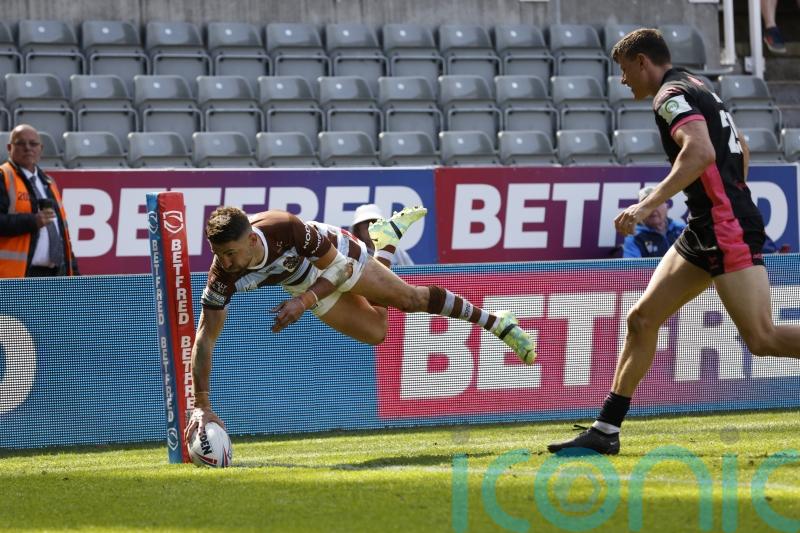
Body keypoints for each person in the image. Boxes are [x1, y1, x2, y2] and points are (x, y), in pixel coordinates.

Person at [548, 28, 800, 456]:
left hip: (724, 226)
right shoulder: (697, 85)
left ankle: (606, 429)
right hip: (708, 225)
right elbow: (740, 145)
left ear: (643, 61)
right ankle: (606, 429)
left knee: (761, 339)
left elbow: (700, 152)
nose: (624, 80)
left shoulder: (668, 96)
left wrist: (649, 204)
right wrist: (728, 190)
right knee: (642, 320)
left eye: (626, 71)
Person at [184, 205, 537, 439]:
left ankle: (496, 321)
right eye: (219, 255)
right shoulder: (221, 277)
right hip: (302, 281)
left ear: (249, 240)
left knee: (409, 300)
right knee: (376, 332)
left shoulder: (284, 228)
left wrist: (304, 302)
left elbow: (339, 268)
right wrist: (202, 404)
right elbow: (205, 338)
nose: (227, 262)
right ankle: (385, 243)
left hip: (336, 256)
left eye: (231, 253)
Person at [0, 124, 78, 277]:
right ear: (9, 148)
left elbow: (62, 233)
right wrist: (32, 221)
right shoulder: (3, 177)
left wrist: (73, 272)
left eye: (33, 144)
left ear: (41, 149)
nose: (28, 148)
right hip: (15, 277)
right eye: (21, 143)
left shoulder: (48, 182)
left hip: (55, 274)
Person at [622, 186, 686, 258]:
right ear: (639, 211)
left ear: (667, 206)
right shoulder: (635, 237)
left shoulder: (682, 229)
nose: (652, 209)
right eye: (646, 205)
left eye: (657, 203)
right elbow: (632, 268)